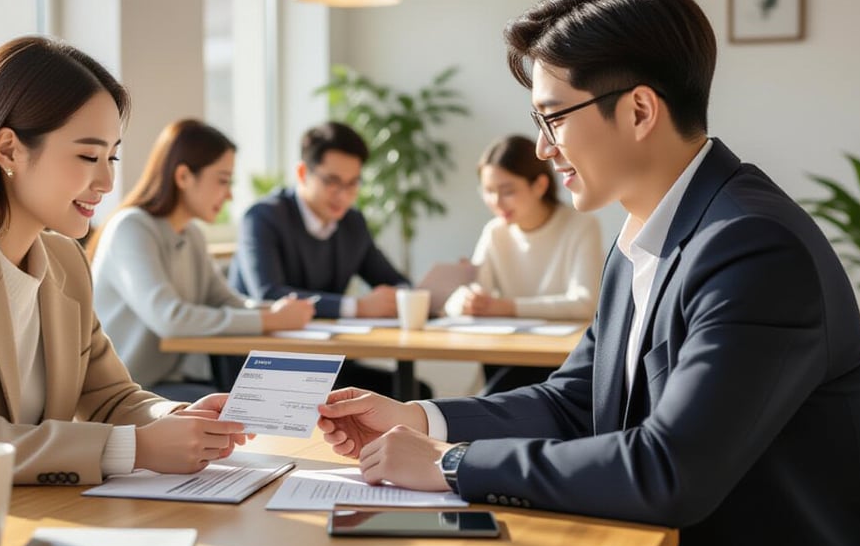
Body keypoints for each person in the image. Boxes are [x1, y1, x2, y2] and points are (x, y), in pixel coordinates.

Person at [316, 0, 860, 546]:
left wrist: (450, 464)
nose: (544, 149)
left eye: (552, 119)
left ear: (639, 110)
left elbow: (668, 471)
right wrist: (419, 419)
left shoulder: (753, 246)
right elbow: (577, 400)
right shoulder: (644, 234)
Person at [0, 36, 249, 493]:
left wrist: (178, 418)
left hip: (21, 514)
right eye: (88, 156)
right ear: (9, 150)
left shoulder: (64, 261)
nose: (108, 180)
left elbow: (109, 397)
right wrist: (137, 448)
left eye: (111, 156)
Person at [86, 118, 315, 391]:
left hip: (164, 382)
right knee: (240, 413)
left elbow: (225, 301)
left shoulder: (190, 234)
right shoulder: (131, 227)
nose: (229, 195)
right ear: (183, 176)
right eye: (222, 181)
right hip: (122, 393)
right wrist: (271, 319)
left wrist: (278, 311)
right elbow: (170, 319)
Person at [229, 121, 431, 397]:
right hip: (266, 364)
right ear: (303, 173)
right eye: (331, 182)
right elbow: (268, 294)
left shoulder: (352, 223)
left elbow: (395, 281)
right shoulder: (263, 217)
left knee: (414, 393)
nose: (343, 195)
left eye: (352, 184)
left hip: (324, 362)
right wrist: (356, 307)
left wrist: (400, 296)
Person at [446, 134, 603, 392]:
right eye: (488, 191)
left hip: (561, 361)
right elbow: (467, 298)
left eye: (507, 191)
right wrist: (465, 300)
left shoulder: (581, 226)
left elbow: (585, 304)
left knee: (494, 398)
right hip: (507, 354)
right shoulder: (495, 232)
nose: (496, 202)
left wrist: (505, 307)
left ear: (539, 185)